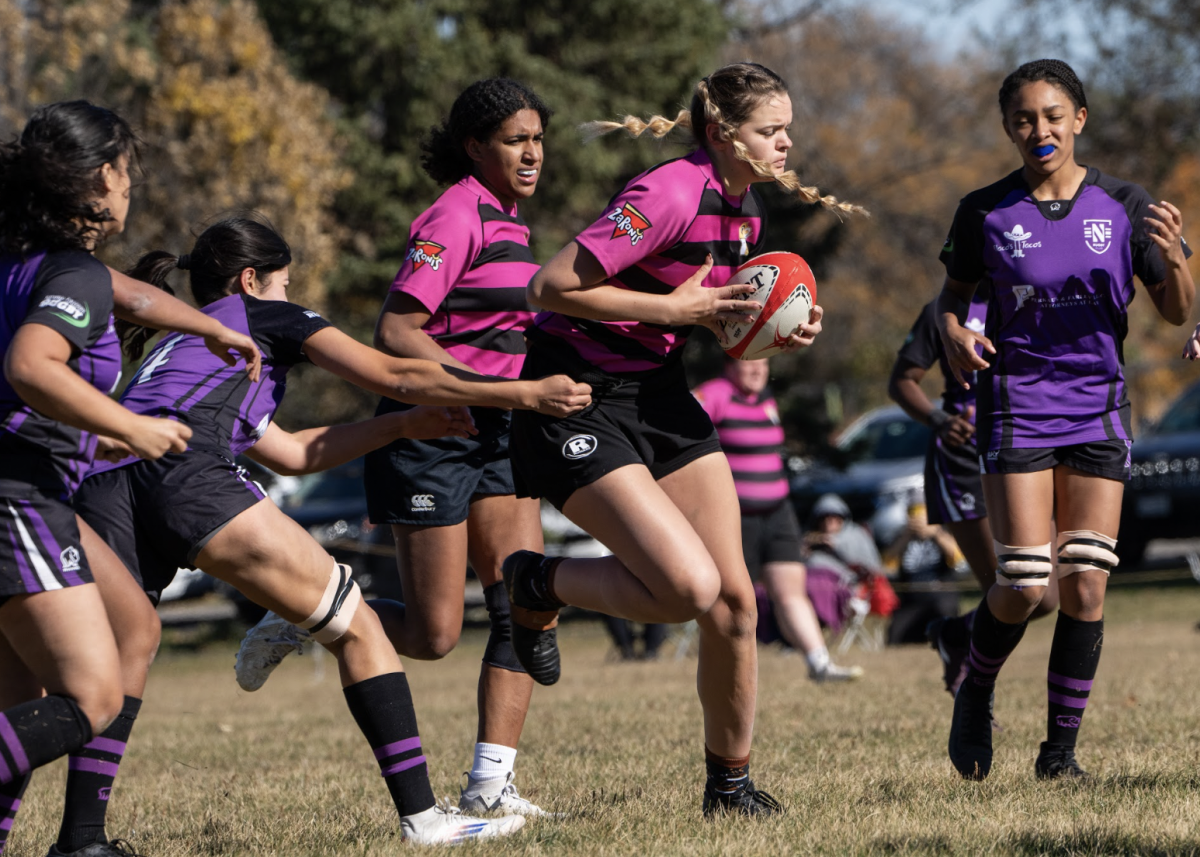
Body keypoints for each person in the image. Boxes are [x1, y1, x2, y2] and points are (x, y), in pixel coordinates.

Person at [67, 215, 591, 848]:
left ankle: (81, 838)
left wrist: (399, 428)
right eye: (286, 283)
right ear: (253, 279)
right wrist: (523, 392)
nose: (291, 296)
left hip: (108, 483)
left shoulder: (180, 345)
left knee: (126, 652)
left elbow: (289, 453)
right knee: (358, 624)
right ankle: (427, 821)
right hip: (187, 470)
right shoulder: (264, 316)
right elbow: (395, 372)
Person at [501, 61, 864, 817]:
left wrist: (775, 331)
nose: (787, 143)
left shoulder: (749, 212)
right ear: (725, 132)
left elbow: (717, 322)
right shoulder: (666, 192)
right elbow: (551, 286)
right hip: (579, 395)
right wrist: (679, 312)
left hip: (661, 395)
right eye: (772, 130)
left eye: (787, 129)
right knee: (686, 590)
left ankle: (728, 787)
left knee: (735, 602)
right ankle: (537, 582)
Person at [235, 78, 559, 816]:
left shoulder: (510, 220)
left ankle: (490, 783)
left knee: (523, 601)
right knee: (434, 632)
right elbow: (397, 331)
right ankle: (306, 609)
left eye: (538, 138)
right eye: (516, 140)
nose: (533, 152)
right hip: (433, 435)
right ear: (476, 147)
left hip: (499, 435)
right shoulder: (454, 213)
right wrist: (479, 389)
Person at [0, 100, 274, 857]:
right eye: (127, 168)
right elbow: (31, 365)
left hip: (29, 491)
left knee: (125, 634)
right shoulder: (69, 272)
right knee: (89, 696)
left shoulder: (33, 259)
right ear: (99, 179)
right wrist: (131, 426)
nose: (132, 183)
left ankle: (81, 841)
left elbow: (121, 292)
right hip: (18, 492)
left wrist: (210, 324)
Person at [937, 59, 1194, 782]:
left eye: (1053, 115)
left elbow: (1176, 307)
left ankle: (1060, 755)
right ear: (1009, 128)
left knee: (1086, 580)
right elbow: (949, 301)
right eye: (1024, 119)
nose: (1039, 130)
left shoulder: (1124, 203)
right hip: (1018, 407)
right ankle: (975, 687)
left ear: (1079, 118)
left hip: (1098, 407)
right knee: (1022, 580)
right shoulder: (984, 210)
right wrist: (954, 330)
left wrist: (1175, 256)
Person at [888, 291, 1060, 694]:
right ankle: (976, 699)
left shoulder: (1038, 291)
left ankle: (955, 635)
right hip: (964, 461)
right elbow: (901, 380)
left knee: (1045, 596)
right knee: (1014, 590)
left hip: (1025, 448)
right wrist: (940, 419)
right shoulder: (946, 309)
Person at [694, 357, 861, 682]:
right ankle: (723, 672)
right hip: (736, 515)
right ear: (729, 365)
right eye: (749, 363)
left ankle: (819, 663)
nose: (758, 370)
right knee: (731, 599)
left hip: (778, 511)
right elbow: (679, 421)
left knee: (791, 591)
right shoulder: (716, 393)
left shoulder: (766, 400)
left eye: (764, 364)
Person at [802, 493, 887, 633]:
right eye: (823, 517)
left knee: (816, 588)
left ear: (843, 517)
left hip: (848, 586)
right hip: (810, 582)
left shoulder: (857, 535)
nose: (828, 521)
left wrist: (836, 546)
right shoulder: (810, 537)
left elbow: (872, 567)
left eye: (834, 516)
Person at [883, 503, 964, 646]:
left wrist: (936, 534)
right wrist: (906, 536)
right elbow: (887, 566)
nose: (918, 520)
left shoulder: (943, 531)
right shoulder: (901, 536)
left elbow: (959, 560)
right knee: (895, 635)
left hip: (941, 598)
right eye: (913, 514)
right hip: (912, 602)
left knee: (946, 621)